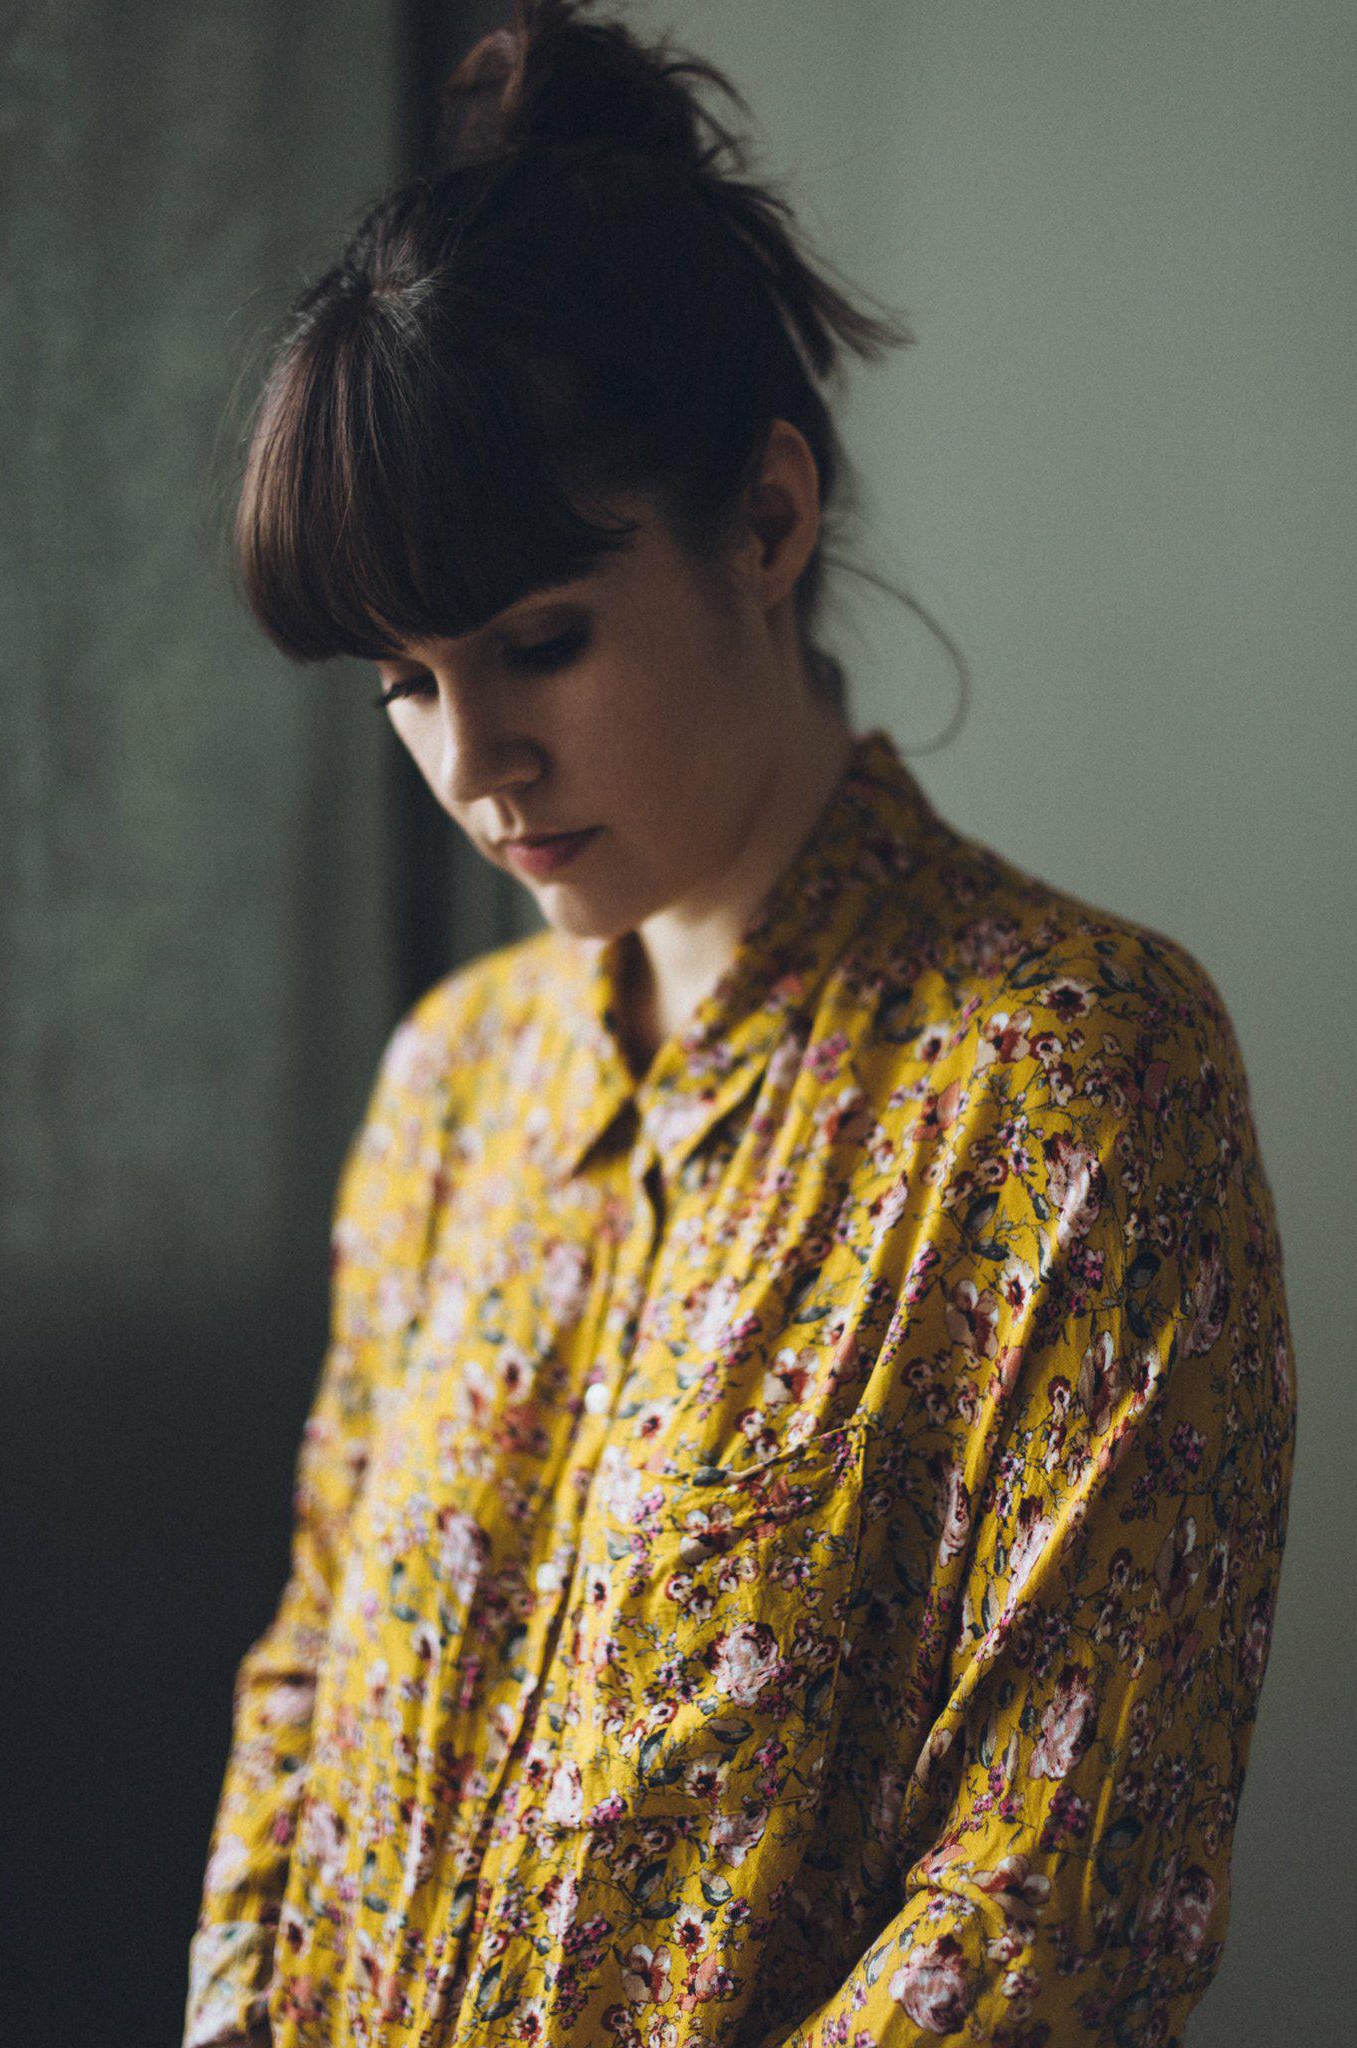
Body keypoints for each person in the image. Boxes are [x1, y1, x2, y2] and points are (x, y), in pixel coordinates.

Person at [182, 4, 1297, 2044]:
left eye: (541, 642)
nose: (472, 765)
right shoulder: (451, 1088)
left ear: (768, 521)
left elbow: (1053, 1908)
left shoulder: (1070, 1082)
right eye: (404, 684)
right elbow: (311, 1667)